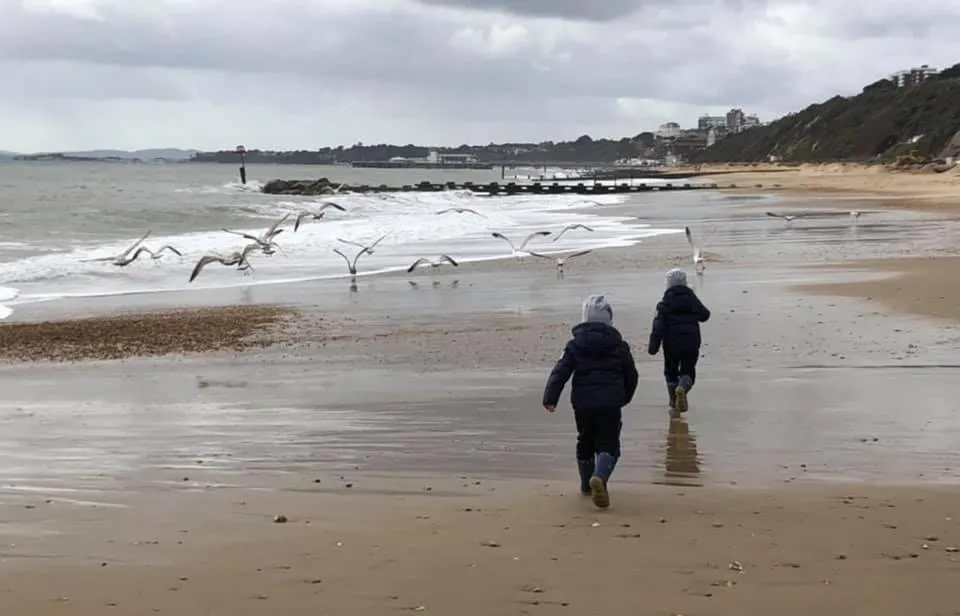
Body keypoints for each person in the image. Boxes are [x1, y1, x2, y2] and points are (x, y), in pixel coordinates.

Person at [542, 294, 639, 509]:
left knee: (585, 440)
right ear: (610, 319)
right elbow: (631, 374)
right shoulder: (619, 345)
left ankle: (586, 483)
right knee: (609, 443)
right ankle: (600, 476)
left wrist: (550, 397)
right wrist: (625, 397)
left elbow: (560, 371)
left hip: (583, 403)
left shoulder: (575, 345)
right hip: (611, 403)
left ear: (584, 318)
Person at [647, 268, 711, 412]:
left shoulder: (664, 305)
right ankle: (682, 387)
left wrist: (653, 347)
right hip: (691, 343)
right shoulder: (692, 300)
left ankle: (673, 402)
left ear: (668, 285)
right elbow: (705, 315)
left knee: (670, 372)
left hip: (671, 345)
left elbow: (658, 328)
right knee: (688, 371)